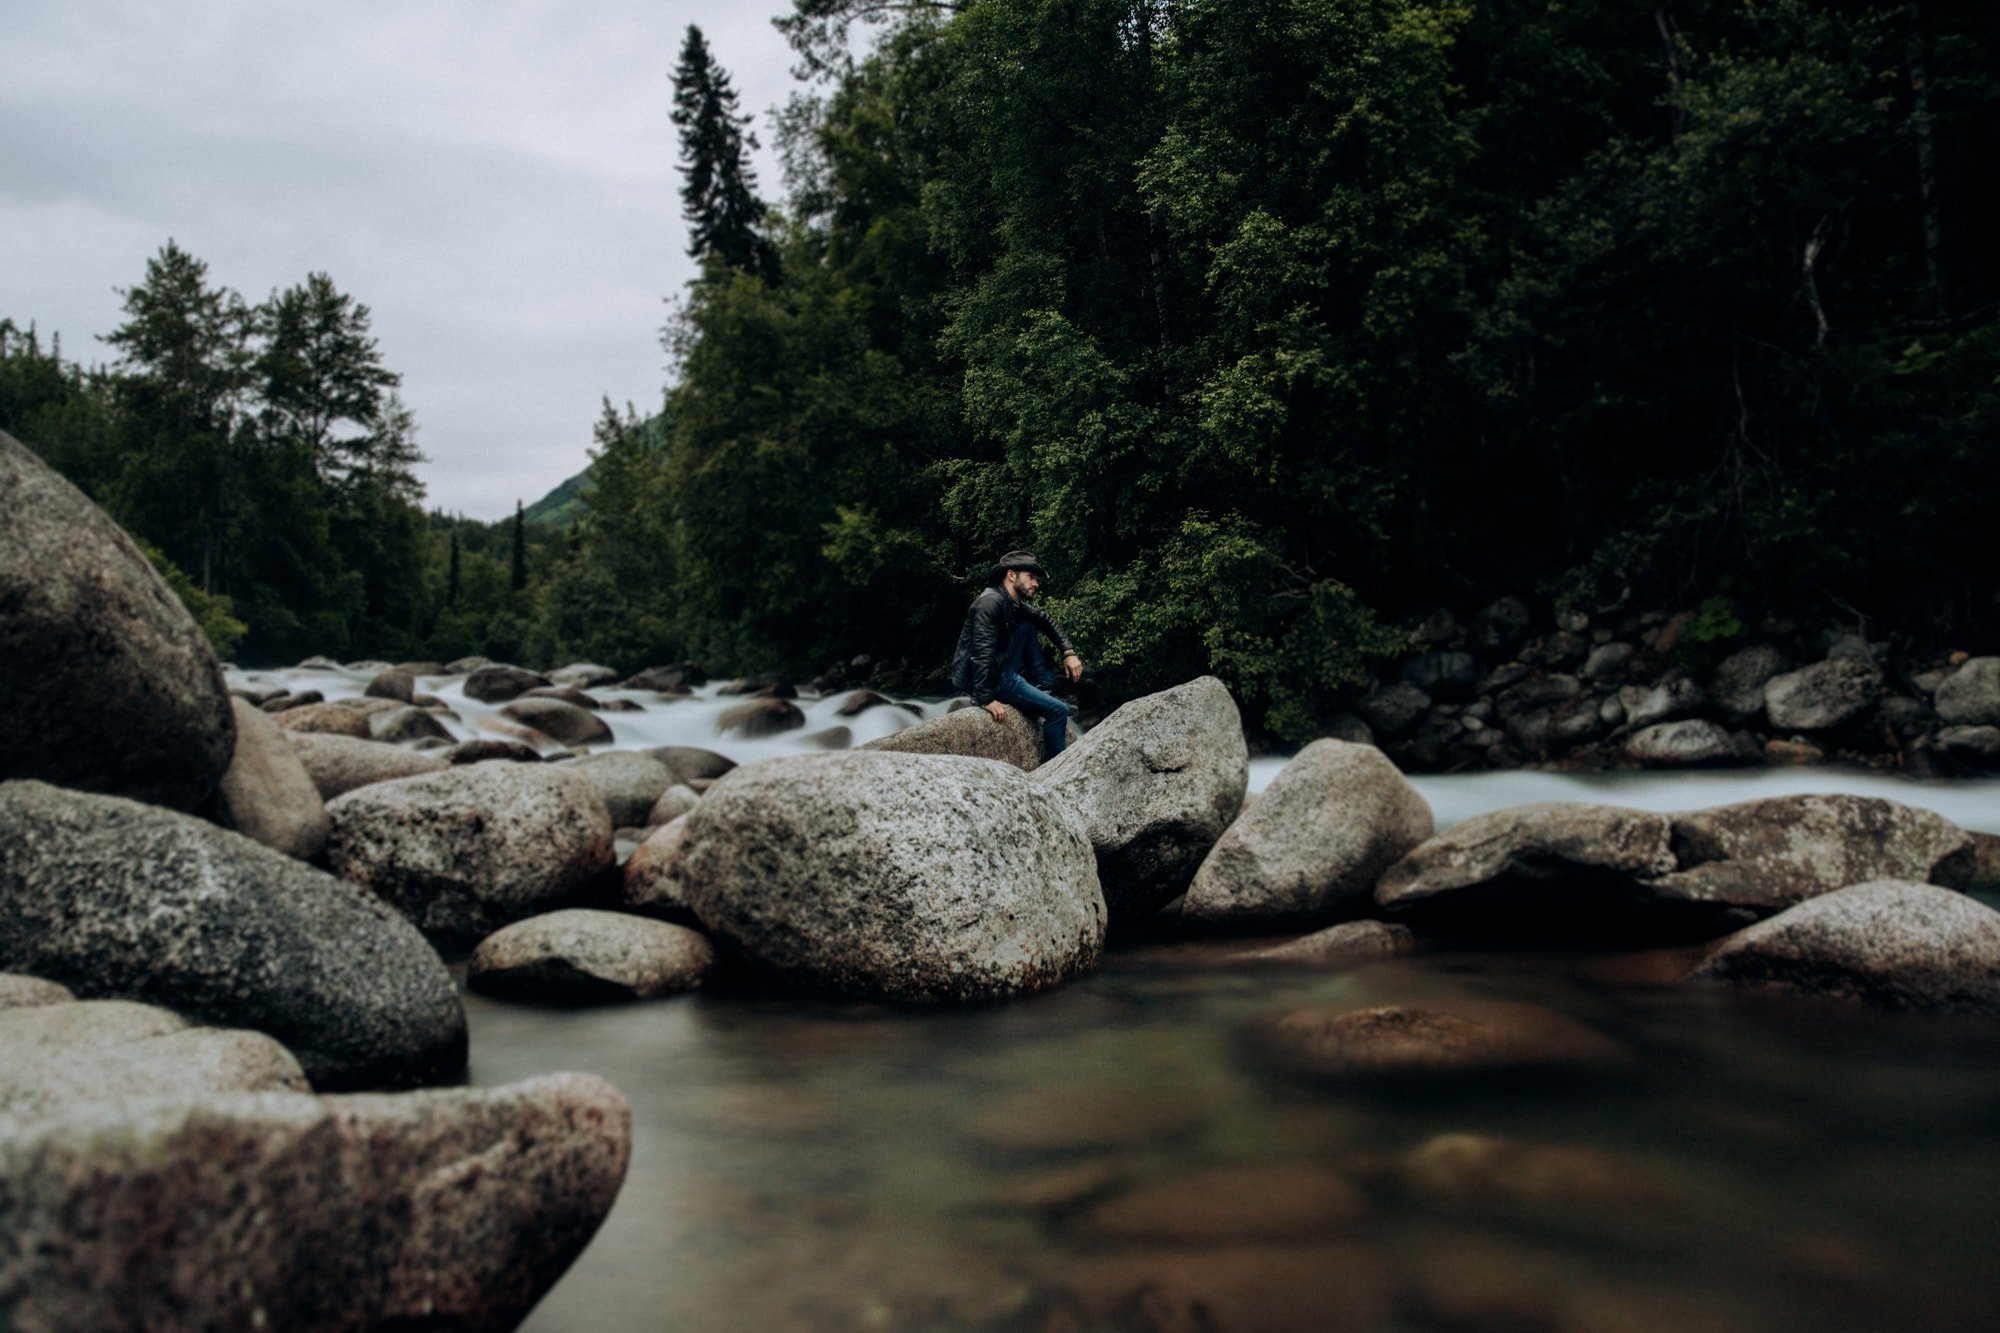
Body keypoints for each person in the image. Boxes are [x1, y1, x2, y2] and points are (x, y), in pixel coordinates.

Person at [950, 550, 1084, 760]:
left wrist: (1068, 652)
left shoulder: (1011, 603)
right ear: (1011, 575)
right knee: (1058, 711)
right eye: (1031, 577)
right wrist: (985, 698)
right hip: (995, 678)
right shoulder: (989, 603)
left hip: (1002, 667)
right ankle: (1056, 770)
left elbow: (1045, 619)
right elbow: (981, 653)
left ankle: (1042, 687)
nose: (1036, 583)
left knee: (1030, 623)